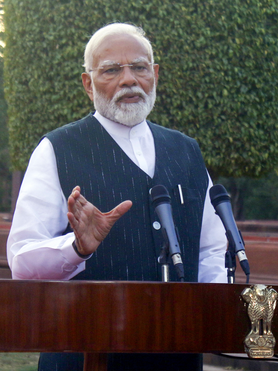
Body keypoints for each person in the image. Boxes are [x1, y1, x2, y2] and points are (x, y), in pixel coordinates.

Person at [7, 23, 227, 371]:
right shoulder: (57, 149)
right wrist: (76, 248)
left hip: (178, 356)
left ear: (154, 74)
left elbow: (211, 249)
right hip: (83, 355)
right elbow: (21, 260)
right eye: (111, 70)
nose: (129, 80)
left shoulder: (187, 151)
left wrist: (214, 317)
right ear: (87, 84)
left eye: (139, 67)